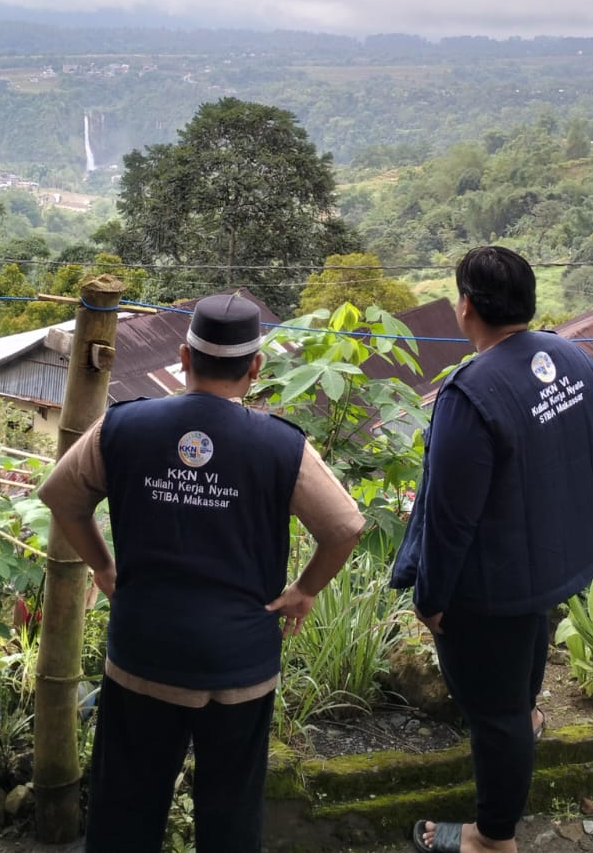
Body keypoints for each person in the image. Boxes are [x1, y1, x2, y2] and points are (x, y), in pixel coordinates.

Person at [39, 293, 364, 853]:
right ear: (256, 367)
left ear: (184, 357)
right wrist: (304, 590)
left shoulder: (123, 427)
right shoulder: (281, 446)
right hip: (239, 661)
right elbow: (345, 527)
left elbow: (62, 498)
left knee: (125, 805)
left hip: (144, 654)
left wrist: (103, 565)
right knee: (232, 810)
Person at [392, 246, 593, 853]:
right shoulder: (573, 358)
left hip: (492, 585)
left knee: (493, 714)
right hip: (554, 561)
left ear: (465, 307)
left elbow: (448, 514)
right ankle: (527, 723)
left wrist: (431, 596)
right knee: (521, 676)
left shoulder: (471, 391)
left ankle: (491, 837)